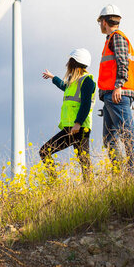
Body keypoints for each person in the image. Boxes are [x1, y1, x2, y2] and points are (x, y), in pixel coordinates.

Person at [96, 4, 134, 171]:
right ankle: (119, 172)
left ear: (104, 22)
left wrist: (118, 86)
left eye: (100, 21)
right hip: (111, 95)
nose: (100, 25)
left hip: (117, 94)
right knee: (109, 138)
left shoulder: (117, 38)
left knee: (127, 135)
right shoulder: (111, 39)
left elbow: (123, 63)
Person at [40, 48, 96, 180]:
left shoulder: (86, 81)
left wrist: (78, 123)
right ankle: (88, 187)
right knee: (84, 160)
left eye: (69, 60)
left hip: (79, 127)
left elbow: (86, 104)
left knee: (45, 151)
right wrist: (53, 78)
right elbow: (64, 86)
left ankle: (55, 183)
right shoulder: (74, 81)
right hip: (72, 127)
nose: (67, 63)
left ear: (74, 62)